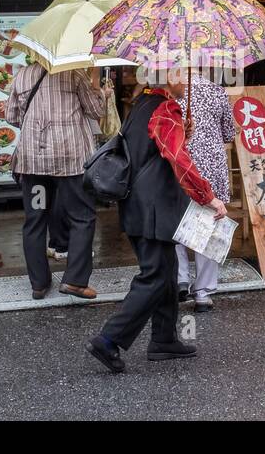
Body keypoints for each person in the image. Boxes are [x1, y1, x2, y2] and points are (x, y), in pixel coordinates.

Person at [86, 71, 228, 374]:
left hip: (139, 203)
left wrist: (183, 133)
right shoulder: (166, 108)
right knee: (156, 275)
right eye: (181, 75)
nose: (186, 82)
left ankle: (163, 339)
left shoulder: (142, 103)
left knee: (167, 270)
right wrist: (207, 196)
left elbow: (153, 149)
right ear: (168, 77)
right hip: (153, 206)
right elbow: (177, 159)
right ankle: (110, 339)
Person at [5, 60, 111, 300]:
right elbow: (96, 111)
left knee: (35, 219)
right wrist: (101, 92)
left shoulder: (22, 75)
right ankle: (74, 281)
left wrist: (36, 124)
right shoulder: (74, 74)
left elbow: (11, 115)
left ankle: (39, 284)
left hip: (34, 162)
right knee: (81, 217)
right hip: (69, 160)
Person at [174, 73, 237, 313]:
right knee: (208, 227)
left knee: (178, 222)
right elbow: (229, 134)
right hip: (211, 167)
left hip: (181, 166)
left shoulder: (171, 93)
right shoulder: (217, 90)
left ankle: (179, 278)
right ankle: (202, 293)